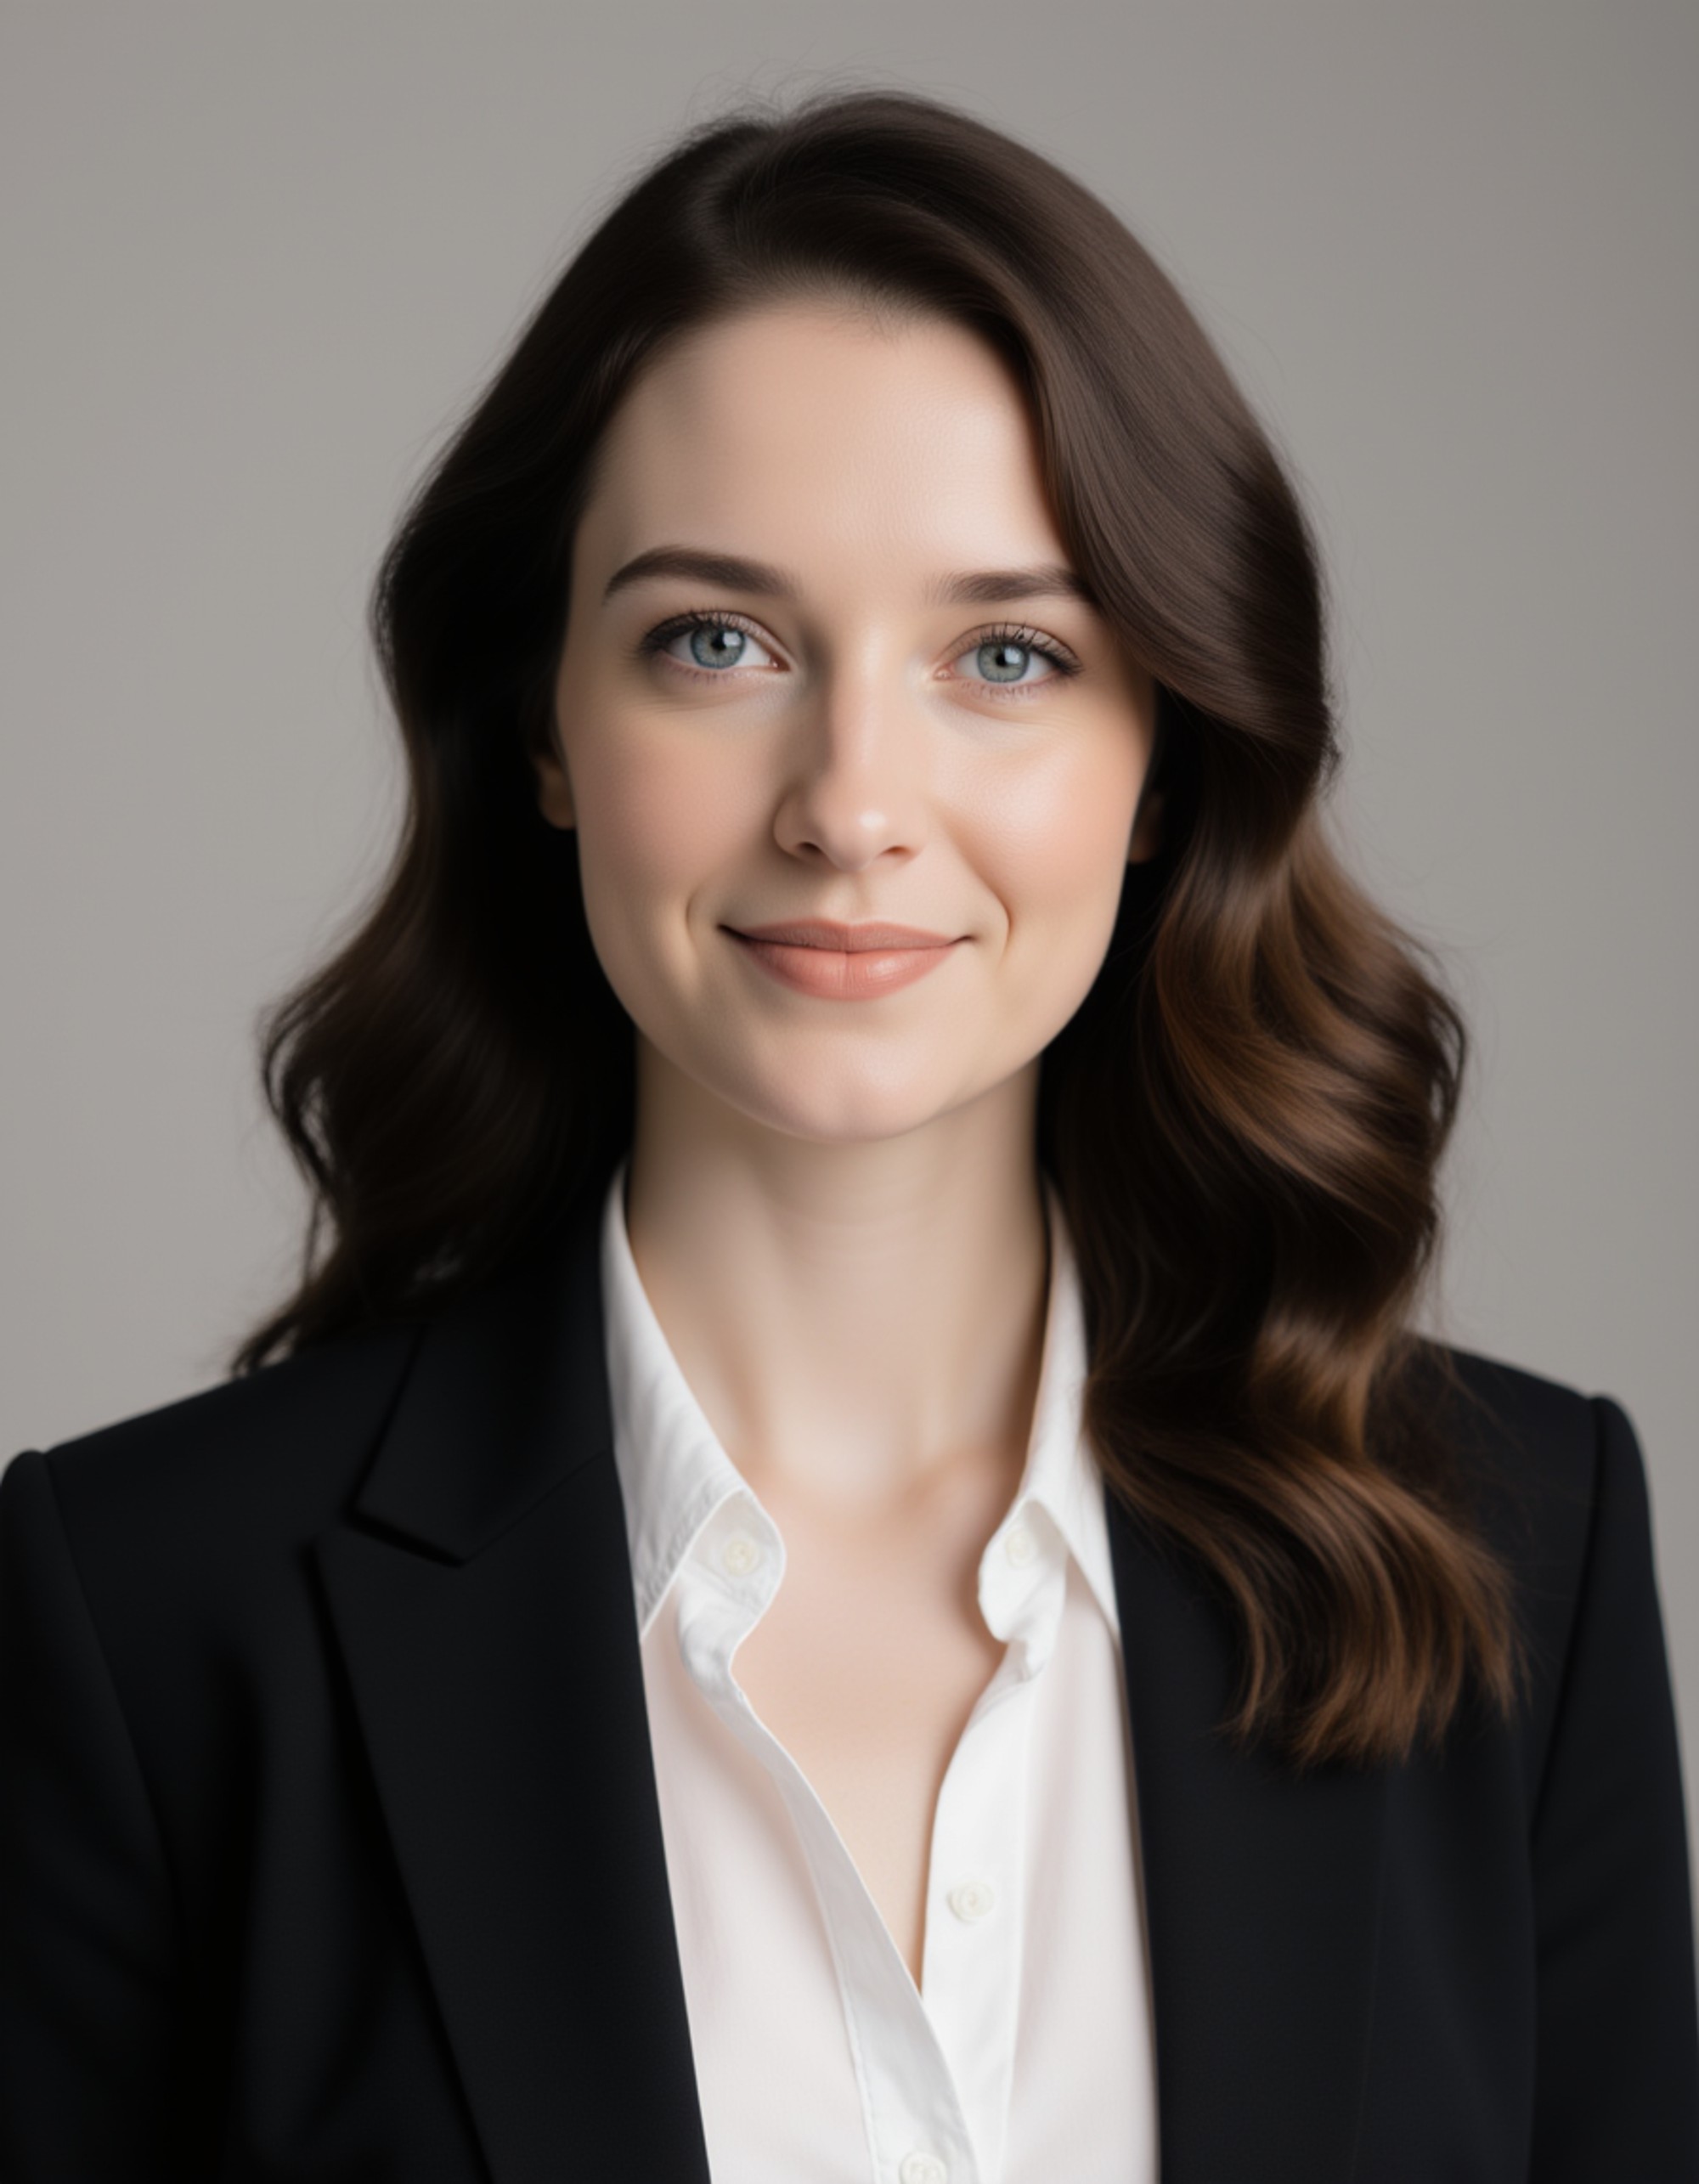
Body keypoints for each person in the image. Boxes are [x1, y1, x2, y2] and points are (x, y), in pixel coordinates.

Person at [2, 85, 1695, 2184]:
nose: (851, 798)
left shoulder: (1524, 1558)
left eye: (1006, 653)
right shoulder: (154, 1614)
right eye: (716, 641)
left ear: (1160, 758)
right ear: (542, 723)